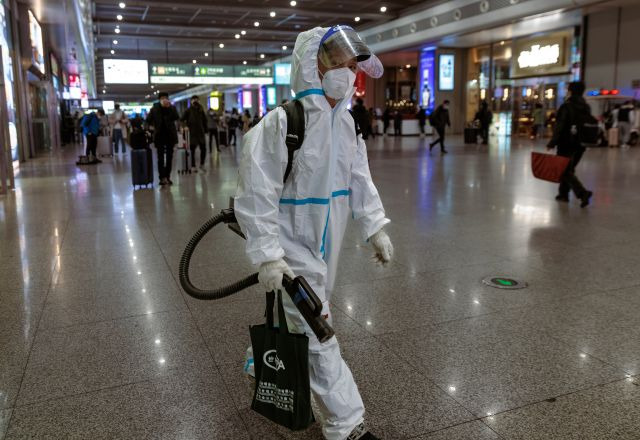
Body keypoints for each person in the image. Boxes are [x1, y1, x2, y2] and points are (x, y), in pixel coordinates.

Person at [234, 25, 391, 440]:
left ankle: (260, 361)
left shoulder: (348, 124)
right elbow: (255, 193)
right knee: (318, 327)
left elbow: (360, 178)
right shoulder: (283, 122)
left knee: (301, 316)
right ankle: (347, 424)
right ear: (311, 65)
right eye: (336, 63)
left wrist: (374, 226)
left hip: (328, 242)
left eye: (352, 65)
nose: (346, 72)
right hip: (292, 244)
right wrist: (268, 254)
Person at [547, 81, 593, 207]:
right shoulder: (586, 107)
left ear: (570, 91)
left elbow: (560, 126)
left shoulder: (566, 106)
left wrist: (552, 142)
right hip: (581, 143)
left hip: (566, 143)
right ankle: (563, 194)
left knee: (564, 169)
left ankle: (582, 193)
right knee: (568, 169)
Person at [146, 92, 179, 185]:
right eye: (162, 98)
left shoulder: (172, 108)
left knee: (169, 157)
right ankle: (162, 178)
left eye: (166, 98)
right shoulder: (154, 109)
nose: (164, 99)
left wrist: (169, 108)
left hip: (170, 136)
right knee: (160, 158)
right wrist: (149, 128)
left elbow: (176, 117)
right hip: (159, 136)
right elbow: (148, 120)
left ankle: (167, 177)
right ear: (159, 99)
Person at [181, 95, 208, 172]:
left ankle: (202, 165)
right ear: (191, 101)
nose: (196, 101)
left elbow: (205, 121)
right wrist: (185, 126)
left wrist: (206, 131)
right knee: (192, 150)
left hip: (201, 133)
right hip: (192, 133)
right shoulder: (188, 110)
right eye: (194, 100)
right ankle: (193, 165)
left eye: (197, 100)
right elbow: (182, 120)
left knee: (203, 149)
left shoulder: (201, 110)